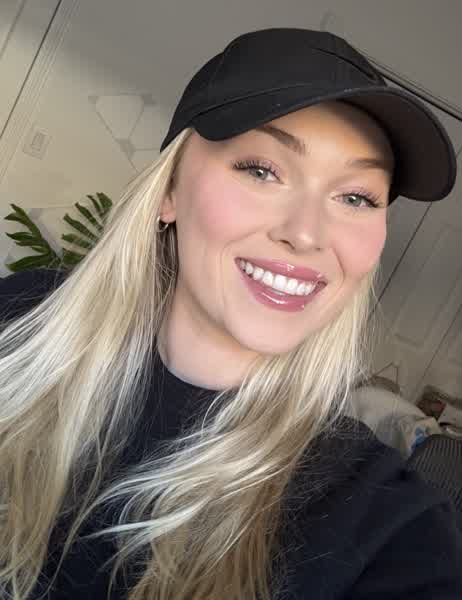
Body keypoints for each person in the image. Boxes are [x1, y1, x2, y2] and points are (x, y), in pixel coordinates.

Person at [0, 27, 460, 600]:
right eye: (261, 170)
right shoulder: (20, 321)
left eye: (356, 197)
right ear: (169, 191)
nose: (306, 233)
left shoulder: (386, 526)